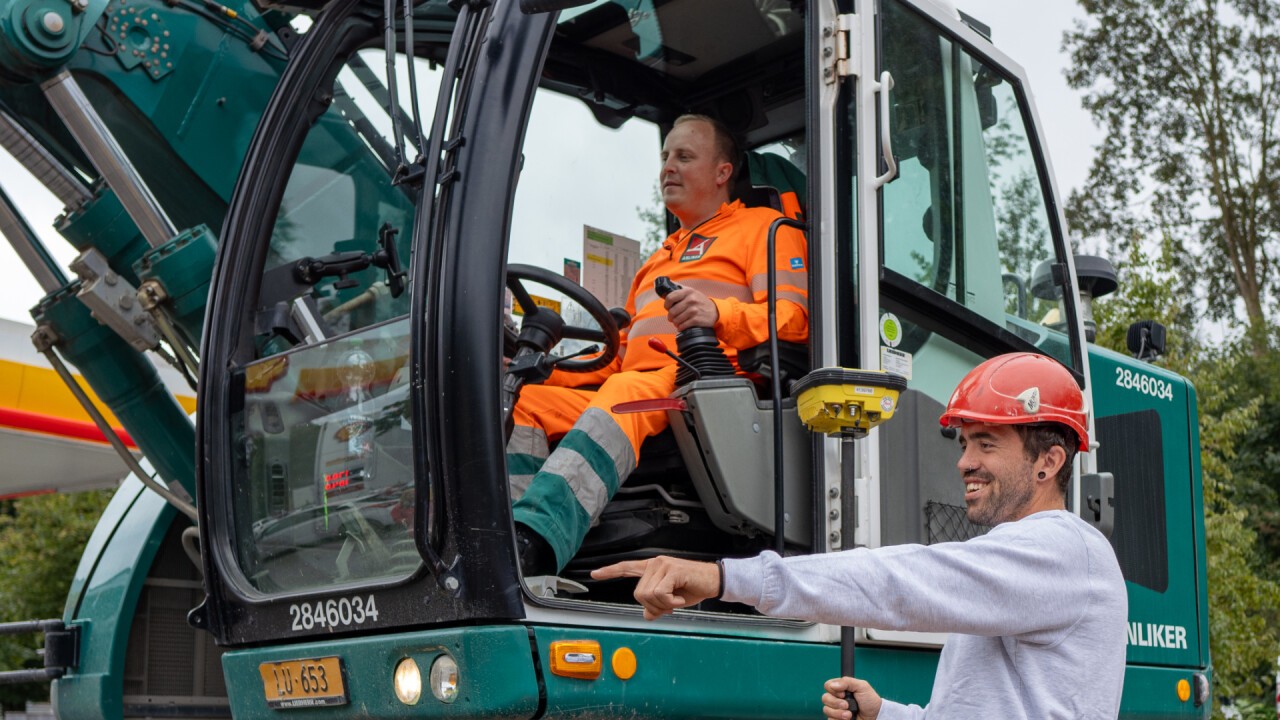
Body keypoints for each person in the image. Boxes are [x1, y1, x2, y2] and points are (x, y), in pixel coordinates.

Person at [592, 352, 1128, 719]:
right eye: (964, 444)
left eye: (986, 444)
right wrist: (886, 712)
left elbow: (902, 580)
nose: (964, 463)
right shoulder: (1016, 565)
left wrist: (723, 576)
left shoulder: (1062, 551)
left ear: (1049, 461)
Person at [510, 114, 810, 576]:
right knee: (527, 401)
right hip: (640, 381)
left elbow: (794, 320)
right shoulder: (660, 256)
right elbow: (619, 355)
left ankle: (537, 542)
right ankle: (505, 530)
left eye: (684, 157)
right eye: (665, 156)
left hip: (707, 382)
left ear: (722, 172)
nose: (668, 167)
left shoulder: (766, 229)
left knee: (623, 397)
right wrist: (545, 368)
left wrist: (719, 315)